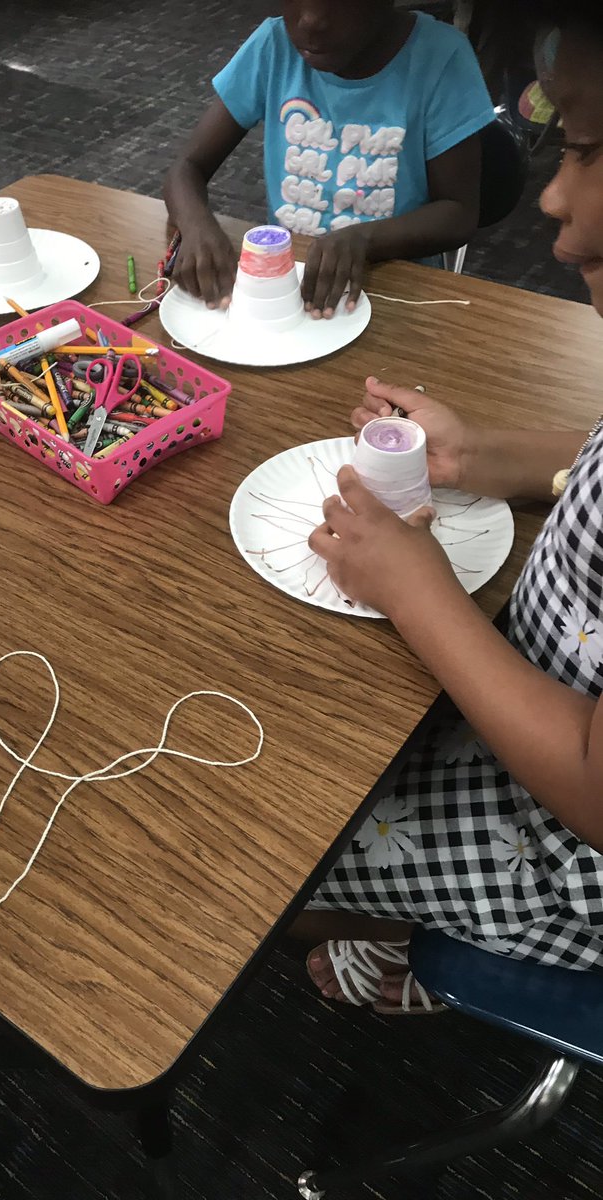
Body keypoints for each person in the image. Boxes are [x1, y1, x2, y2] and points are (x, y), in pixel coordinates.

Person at [299, 0, 603, 1012]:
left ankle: (409, 939)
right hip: (537, 686)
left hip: (559, 842)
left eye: (589, 150)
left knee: (270, 851)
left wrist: (419, 592)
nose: (554, 203)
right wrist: (488, 454)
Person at [164, 0, 494, 320]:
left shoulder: (440, 57)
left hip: (399, 295)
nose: (311, 19)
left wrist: (365, 239)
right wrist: (195, 225)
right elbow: (186, 167)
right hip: (290, 287)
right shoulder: (273, 47)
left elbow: (459, 212)